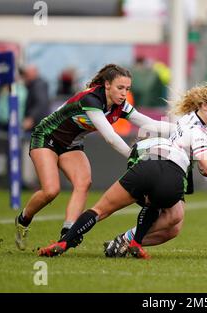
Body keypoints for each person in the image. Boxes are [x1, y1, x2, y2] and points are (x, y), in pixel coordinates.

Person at [37, 81, 207, 258]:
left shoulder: (188, 119)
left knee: (102, 210)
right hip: (171, 171)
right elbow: (206, 168)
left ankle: (64, 242)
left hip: (147, 161)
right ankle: (132, 240)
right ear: (203, 105)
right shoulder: (198, 132)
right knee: (165, 210)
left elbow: (190, 130)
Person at [14, 64, 171, 251]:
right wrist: (133, 156)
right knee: (51, 191)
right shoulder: (91, 99)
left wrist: (185, 130)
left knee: (83, 183)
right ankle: (23, 220)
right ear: (107, 85)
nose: (124, 93)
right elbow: (110, 137)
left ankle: (68, 232)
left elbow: (149, 123)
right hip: (46, 137)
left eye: (127, 89)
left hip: (71, 144)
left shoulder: (121, 106)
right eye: (120, 88)